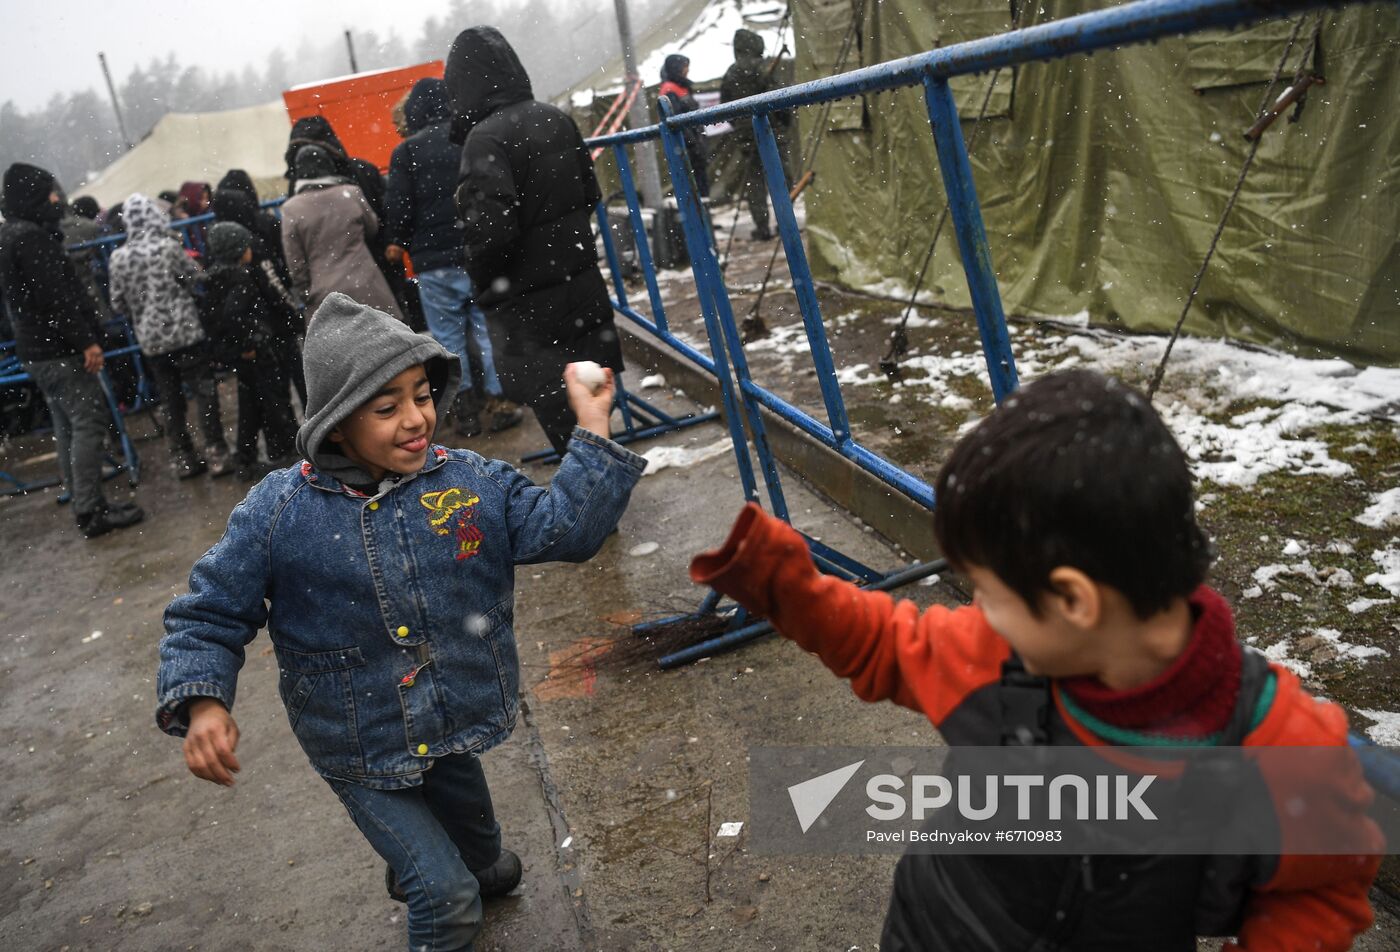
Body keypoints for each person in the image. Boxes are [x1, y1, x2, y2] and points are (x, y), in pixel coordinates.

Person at [689, 369, 1382, 951]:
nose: (977, 612)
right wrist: (788, 589)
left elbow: (1322, 892)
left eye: (987, 592)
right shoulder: (1004, 657)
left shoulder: (1280, 748)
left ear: (1073, 601)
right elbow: (887, 644)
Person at [155, 291, 645, 952]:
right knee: (448, 901)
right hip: (357, 738)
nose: (416, 419)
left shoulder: (471, 484)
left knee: (480, 855)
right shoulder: (280, 513)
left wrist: (592, 429)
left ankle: (457, 864)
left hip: (447, 719)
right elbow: (209, 612)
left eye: (422, 394)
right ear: (335, 425)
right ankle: (435, 880)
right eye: (387, 407)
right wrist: (203, 701)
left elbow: (569, 529)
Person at [446, 26, 625, 457]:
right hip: (581, 290)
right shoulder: (555, 118)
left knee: (561, 417)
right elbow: (590, 194)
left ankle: (591, 512)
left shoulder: (484, 139)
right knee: (592, 409)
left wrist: (483, 279)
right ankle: (601, 493)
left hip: (528, 307)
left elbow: (490, 232)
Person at [0, 162, 144, 537]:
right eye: (49, 191)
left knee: (66, 425)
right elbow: (56, 298)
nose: (56, 199)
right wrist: (86, 341)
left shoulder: (11, 234)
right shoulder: (31, 238)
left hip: (37, 349)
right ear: (32, 195)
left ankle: (81, 498)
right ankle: (90, 509)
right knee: (88, 421)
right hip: (58, 349)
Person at [387, 76, 522, 439]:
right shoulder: (468, 138)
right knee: (486, 330)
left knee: (447, 338)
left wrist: (397, 240)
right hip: (475, 252)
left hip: (433, 263)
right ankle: (500, 401)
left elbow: (399, 206)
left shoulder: (406, 153)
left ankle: (463, 411)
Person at [109, 193, 235, 479]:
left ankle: (183, 459)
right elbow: (194, 277)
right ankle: (217, 454)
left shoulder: (118, 257)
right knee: (204, 393)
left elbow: (117, 303)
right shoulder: (168, 246)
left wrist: (141, 311)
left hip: (152, 341)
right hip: (186, 332)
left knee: (171, 400)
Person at [201, 222, 299, 480]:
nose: (250, 250)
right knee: (272, 398)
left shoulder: (216, 276)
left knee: (251, 404)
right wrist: (250, 344)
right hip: (253, 352)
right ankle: (293, 450)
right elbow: (235, 315)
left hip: (236, 352)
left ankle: (246, 459)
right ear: (237, 250)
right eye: (245, 245)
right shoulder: (241, 278)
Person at [280, 144, 404, 322]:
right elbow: (372, 227)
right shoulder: (351, 192)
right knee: (386, 339)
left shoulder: (291, 209)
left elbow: (295, 262)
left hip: (324, 293)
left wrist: (306, 292)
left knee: (343, 348)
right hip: (366, 282)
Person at [721, 29, 778, 241]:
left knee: (755, 182)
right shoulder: (763, 67)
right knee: (780, 177)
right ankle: (785, 222)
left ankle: (762, 227)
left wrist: (741, 126)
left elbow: (724, 106)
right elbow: (779, 97)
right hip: (770, 130)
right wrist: (782, 123)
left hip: (746, 136)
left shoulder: (731, 72)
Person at [658, 53, 710, 198]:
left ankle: (704, 215)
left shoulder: (681, 87)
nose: (687, 70)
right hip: (688, 149)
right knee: (696, 186)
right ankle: (700, 217)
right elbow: (676, 120)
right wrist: (694, 145)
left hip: (694, 146)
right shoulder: (670, 89)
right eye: (685, 67)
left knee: (700, 184)